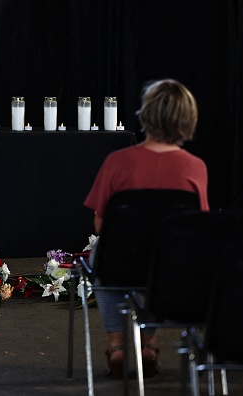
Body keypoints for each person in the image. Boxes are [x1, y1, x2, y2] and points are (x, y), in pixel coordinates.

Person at [83, 78, 210, 379]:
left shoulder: (117, 161)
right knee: (158, 262)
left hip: (122, 262)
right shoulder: (196, 167)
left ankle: (116, 345)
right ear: (187, 119)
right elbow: (199, 228)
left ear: (146, 114)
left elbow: (101, 225)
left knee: (104, 257)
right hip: (172, 267)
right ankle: (149, 344)